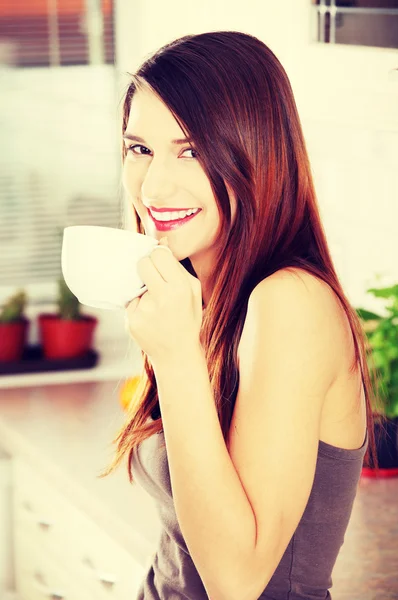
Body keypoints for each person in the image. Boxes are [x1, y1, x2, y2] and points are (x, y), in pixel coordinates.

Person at [99, 30, 381, 600]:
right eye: (140, 149)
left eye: (193, 151)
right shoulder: (203, 293)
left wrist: (176, 357)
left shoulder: (291, 302)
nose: (154, 185)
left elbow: (237, 581)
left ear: (256, 151)